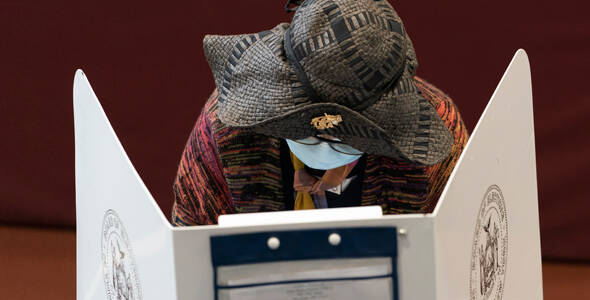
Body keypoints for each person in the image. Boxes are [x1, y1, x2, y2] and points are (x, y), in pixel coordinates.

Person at [171, 0, 468, 226]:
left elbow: (459, 253)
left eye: (345, 138)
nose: (325, 144)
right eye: (310, 132)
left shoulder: (437, 134)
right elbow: (189, 249)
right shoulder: (225, 132)